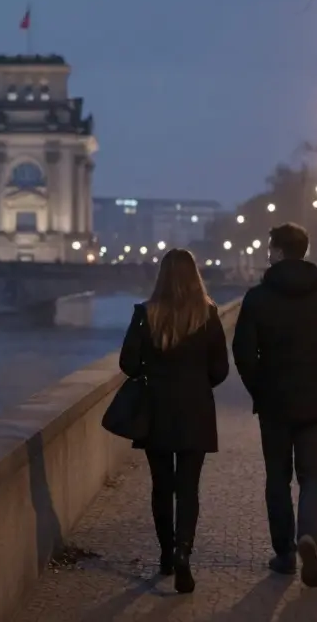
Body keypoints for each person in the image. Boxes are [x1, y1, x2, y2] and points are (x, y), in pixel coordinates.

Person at [231, 223, 317, 588]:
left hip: (274, 403)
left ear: (279, 251)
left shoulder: (257, 298)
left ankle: (285, 554)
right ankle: (309, 536)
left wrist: (260, 388)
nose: (267, 254)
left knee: (277, 478)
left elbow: (242, 352)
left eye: (270, 248)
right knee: (312, 475)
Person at [118, 248, 230, 594]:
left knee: (162, 486)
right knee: (188, 488)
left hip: (156, 408)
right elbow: (220, 369)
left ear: (161, 276)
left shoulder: (144, 314)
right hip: (195, 407)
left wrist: (152, 373)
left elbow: (128, 363)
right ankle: (184, 551)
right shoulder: (208, 315)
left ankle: (166, 554)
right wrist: (197, 383)